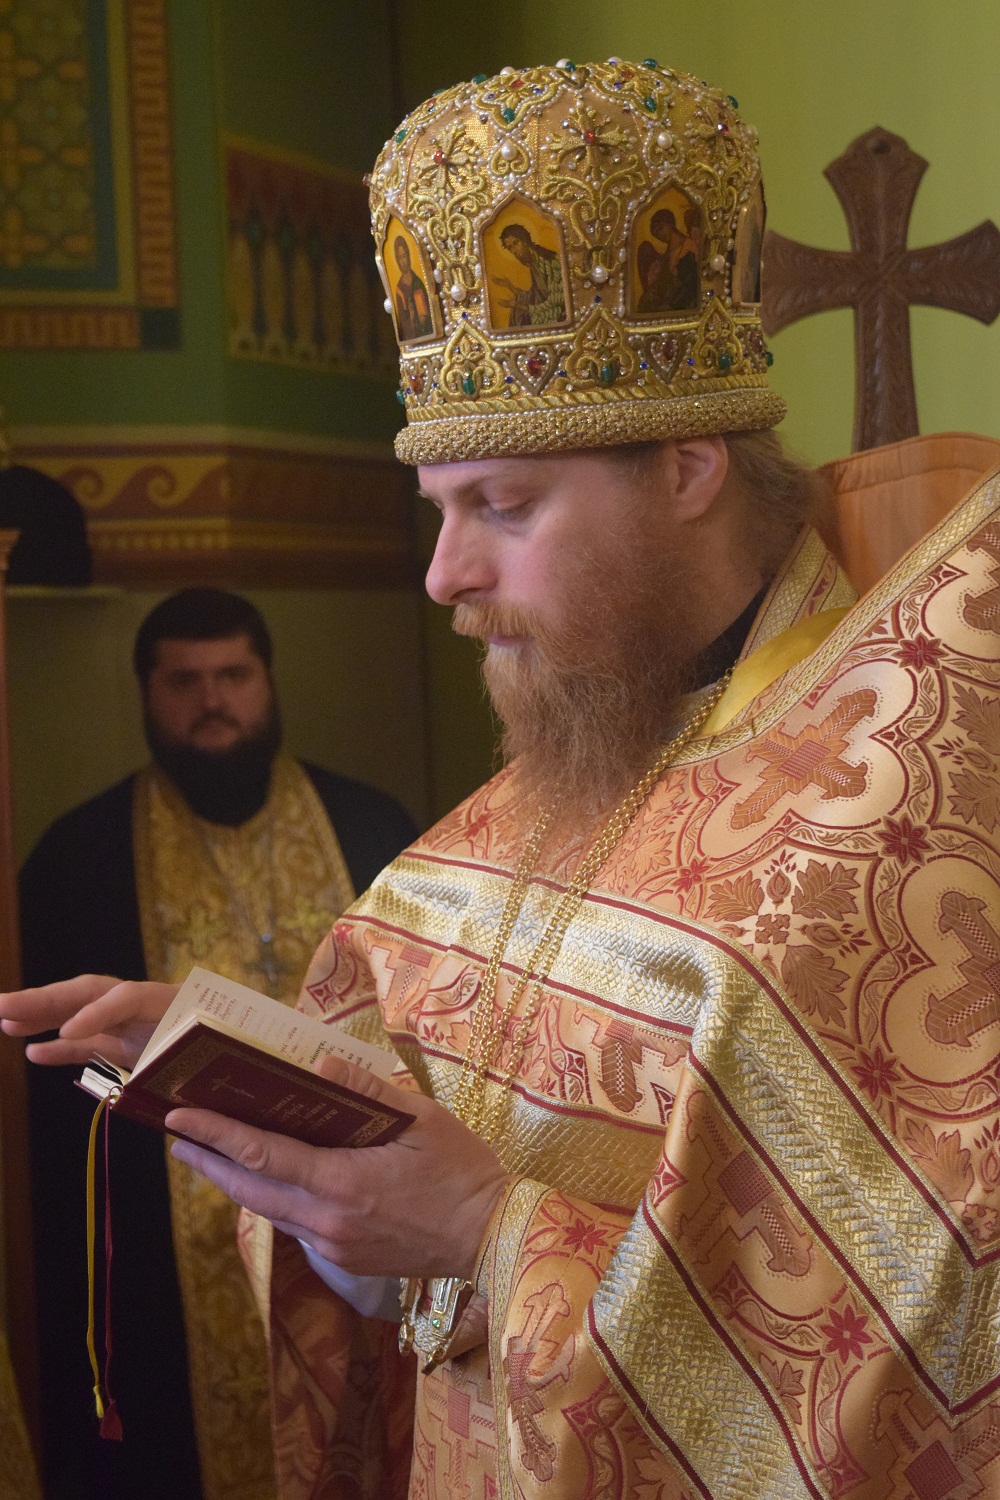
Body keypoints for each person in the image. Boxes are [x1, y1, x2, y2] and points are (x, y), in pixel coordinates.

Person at [5, 61, 1000, 1500]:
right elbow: (391, 1271)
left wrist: (486, 1230)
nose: (443, 574)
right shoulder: (486, 840)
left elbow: (929, 1345)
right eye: (439, 510)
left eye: (503, 507)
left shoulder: (909, 807)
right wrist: (276, 1089)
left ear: (689, 470)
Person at [17, 587, 416, 1500]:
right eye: (184, 682)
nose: (212, 702)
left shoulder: (373, 828)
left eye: (233, 675)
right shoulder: (79, 858)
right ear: (145, 694)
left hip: (354, 1220)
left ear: (268, 681)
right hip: (164, 1248)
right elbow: (58, 1102)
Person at [493, 223, 567, 326]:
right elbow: (533, 296)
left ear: (525, 241)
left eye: (516, 243)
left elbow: (555, 301)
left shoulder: (550, 261)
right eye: (510, 248)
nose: (514, 251)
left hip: (559, 313)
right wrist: (509, 285)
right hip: (547, 310)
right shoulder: (534, 264)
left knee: (520, 317)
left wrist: (519, 306)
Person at [392, 235, 433, 339]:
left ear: (408, 255)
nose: (403, 262)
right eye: (400, 258)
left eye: (404, 256)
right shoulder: (399, 290)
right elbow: (403, 324)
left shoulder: (418, 282)